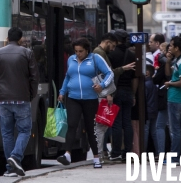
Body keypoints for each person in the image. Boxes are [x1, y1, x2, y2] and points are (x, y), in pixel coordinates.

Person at [0, 27, 39, 177]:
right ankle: (15, 158)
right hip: (22, 98)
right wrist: (31, 95)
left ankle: (11, 169)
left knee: (7, 133)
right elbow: (34, 77)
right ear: (21, 39)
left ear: (8, 38)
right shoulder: (27, 53)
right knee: (24, 130)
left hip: (2, 100)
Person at [58, 38, 113, 169]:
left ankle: (96, 157)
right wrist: (62, 91)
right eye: (76, 51)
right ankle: (67, 154)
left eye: (81, 51)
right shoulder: (71, 59)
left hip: (90, 99)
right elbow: (68, 76)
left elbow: (109, 73)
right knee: (72, 125)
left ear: (87, 50)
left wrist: (102, 85)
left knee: (90, 128)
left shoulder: (95, 58)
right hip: (73, 97)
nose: (78, 54)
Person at [92, 33, 135, 158]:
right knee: (105, 124)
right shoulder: (99, 53)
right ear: (107, 42)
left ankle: (107, 152)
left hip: (107, 91)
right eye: (113, 46)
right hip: (105, 91)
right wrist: (108, 93)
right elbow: (103, 75)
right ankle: (101, 153)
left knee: (110, 123)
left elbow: (107, 73)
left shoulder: (100, 53)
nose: (113, 49)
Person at [107, 29, 137, 162]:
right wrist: (133, 94)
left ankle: (116, 152)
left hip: (115, 91)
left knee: (116, 123)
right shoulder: (131, 55)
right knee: (127, 123)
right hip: (128, 91)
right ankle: (128, 152)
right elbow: (135, 78)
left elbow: (108, 74)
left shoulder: (112, 55)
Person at [144, 65, 159, 156]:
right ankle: (158, 151)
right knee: (154, 131)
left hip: (148, 110)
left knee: (145, 130)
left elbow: (144, 98)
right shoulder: (154, 84)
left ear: (147, 73)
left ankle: (143, 151)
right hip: (154, 109)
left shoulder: (146, 84)